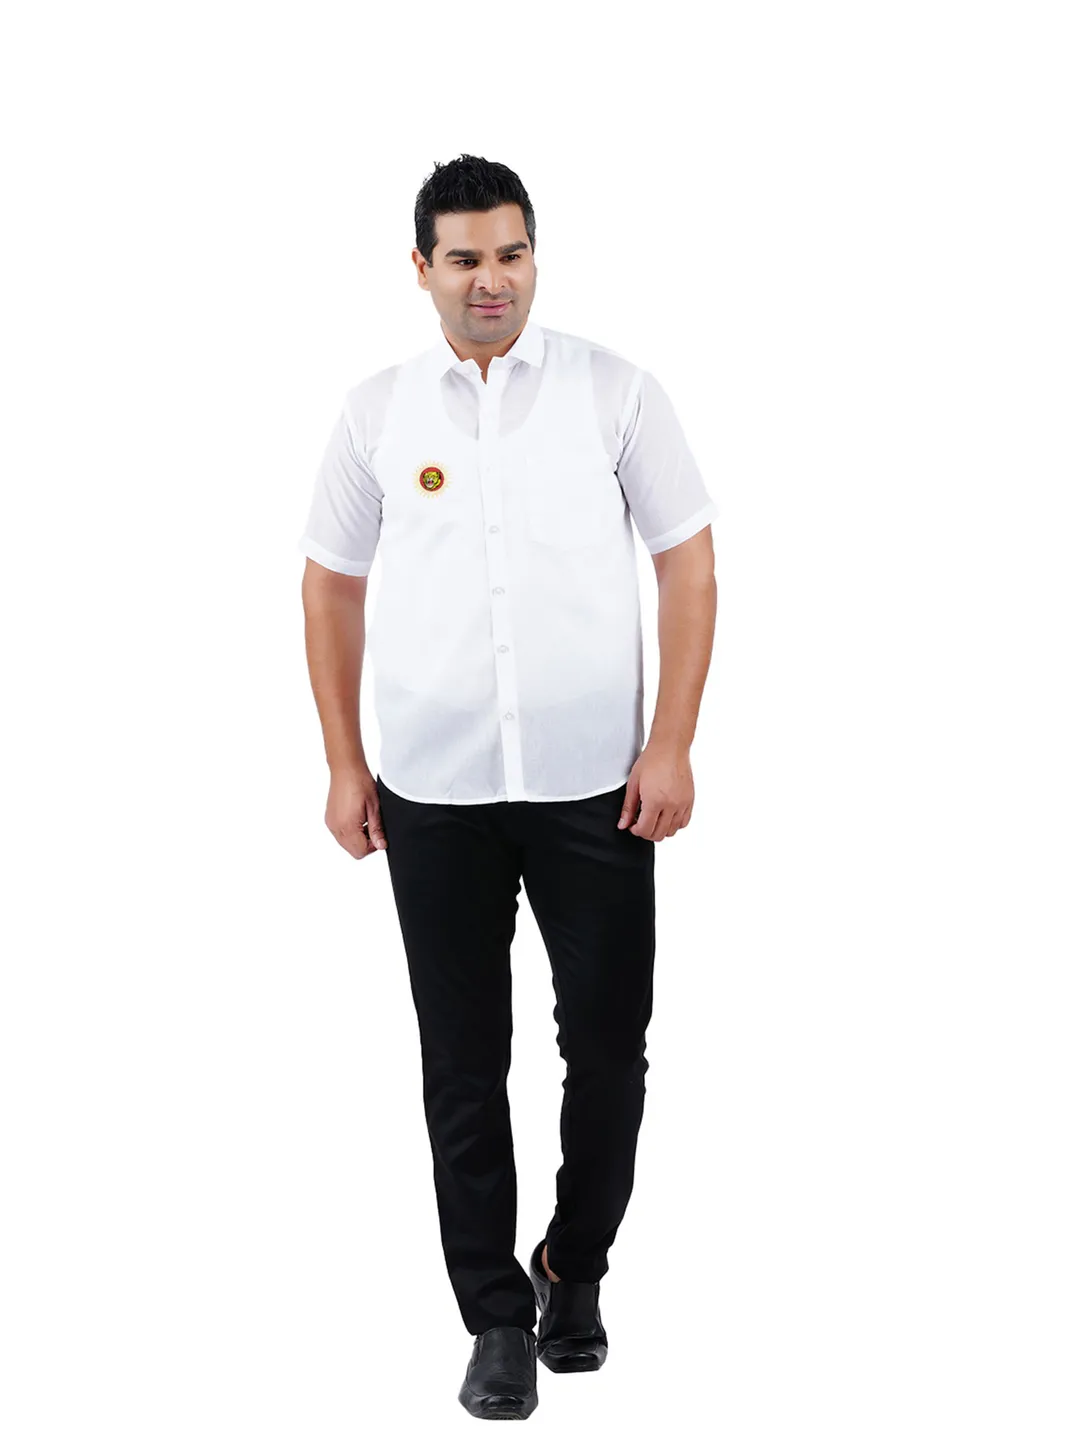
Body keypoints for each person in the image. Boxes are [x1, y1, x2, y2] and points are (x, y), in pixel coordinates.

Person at [298, 153, 717, 1421]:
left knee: (610, 1051)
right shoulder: (377, 414)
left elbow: (689, 566)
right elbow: (330, 586)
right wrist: (343, 761)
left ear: (536, 256)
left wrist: (672, 743)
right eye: (467, 258)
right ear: (422, 268)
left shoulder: (615, 393)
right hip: (435, 795)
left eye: (512, 254)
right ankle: (493, 1315)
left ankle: (573, 1268)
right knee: (463, 1065)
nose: (494, 280)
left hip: (600, 789)